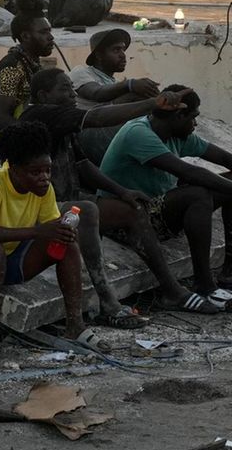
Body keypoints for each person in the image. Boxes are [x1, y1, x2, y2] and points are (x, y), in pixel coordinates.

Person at [18, 67, 185, 325]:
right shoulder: (39, 115)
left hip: (64, 201)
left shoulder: (61, 122)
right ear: (43, 95)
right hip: (38, 209)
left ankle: (171, 289)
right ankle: (107, 302)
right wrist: (153, 103)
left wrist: (122, 191)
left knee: (131, 209)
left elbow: (82, 165)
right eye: (64, 88)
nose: (73, 93)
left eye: (72, 87)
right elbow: (97, 118)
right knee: (85, 211)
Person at [0, 121, 108, 362]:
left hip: (6, 257)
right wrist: (37, 232)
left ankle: (75, 325)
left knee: (68, 243)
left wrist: (61, 233)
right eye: (35, 172)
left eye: (47, 170)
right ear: (14, 169)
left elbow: (50, 230)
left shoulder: (43, 190)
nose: (44, 178)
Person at [98, 85, 232, 311]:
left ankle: (229, 270)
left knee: (224, 184)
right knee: (199, 193)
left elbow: (223, 157)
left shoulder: (178, 134)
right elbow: (189, 173)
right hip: (129, 218)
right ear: (179, 116)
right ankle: (204, 284)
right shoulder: (138, 132)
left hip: (159, 210)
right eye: (193, 118)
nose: (195, 124)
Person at [68, 28, 160, 163]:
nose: (123, 55)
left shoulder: (115, 84)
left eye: (123, 50)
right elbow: (96, 93)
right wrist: (129, 85)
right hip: (87, 135)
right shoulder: (81, 72)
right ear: (99, 55)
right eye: (116, 50)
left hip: (109, 136)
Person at [0, 0, 53, 154]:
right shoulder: (11, 68)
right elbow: (2, 119)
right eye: (44, 32)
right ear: (25, 36)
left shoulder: (33, 64)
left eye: (49, 31)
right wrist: (39, 134)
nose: (51, 37)